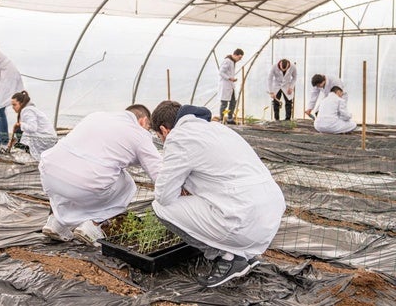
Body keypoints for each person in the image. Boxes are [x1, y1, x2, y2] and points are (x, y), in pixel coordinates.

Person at [150, 100, 285, 288]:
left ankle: (228, 257)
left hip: (243, 220)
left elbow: (163, 194)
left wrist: (180, 188)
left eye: (159, 136)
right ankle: (246, 255)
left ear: (164, 130)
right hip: (271, 215)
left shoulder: (179, 136)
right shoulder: (218, 128)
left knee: (160, 207)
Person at [39, 104, 162, 246]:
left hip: (48, 173)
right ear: (143, 121)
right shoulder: (138, 133)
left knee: (68, 171)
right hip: (84, 182)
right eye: (148, 128)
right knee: (127, 184)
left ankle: (56, 223)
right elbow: (159, 174)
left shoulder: (96, 116)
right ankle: (92, 226)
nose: (147, 131)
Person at [8, 90, 57, 160]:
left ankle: (23, 154)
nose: (13, 107)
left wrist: (19, 124)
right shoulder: (29, 109)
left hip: (46, 139)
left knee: (20, 129)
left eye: (14, 105)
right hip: (49, 137)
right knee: (20, 129)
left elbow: (32, 128)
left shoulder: (27, 110)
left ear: (21, 103)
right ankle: (22, 151)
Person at [218, 48, 244, 124]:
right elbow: (221, 72)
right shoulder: (227, 61)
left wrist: (231, 79)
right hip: (225, 85)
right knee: (224, 103)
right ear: (235, 55)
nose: (240, 59)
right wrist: (229, 78)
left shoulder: (232, 62)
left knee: (233, 102)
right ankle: (221, 119)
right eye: (239, 57)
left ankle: (230, 118)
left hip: (230, 85)